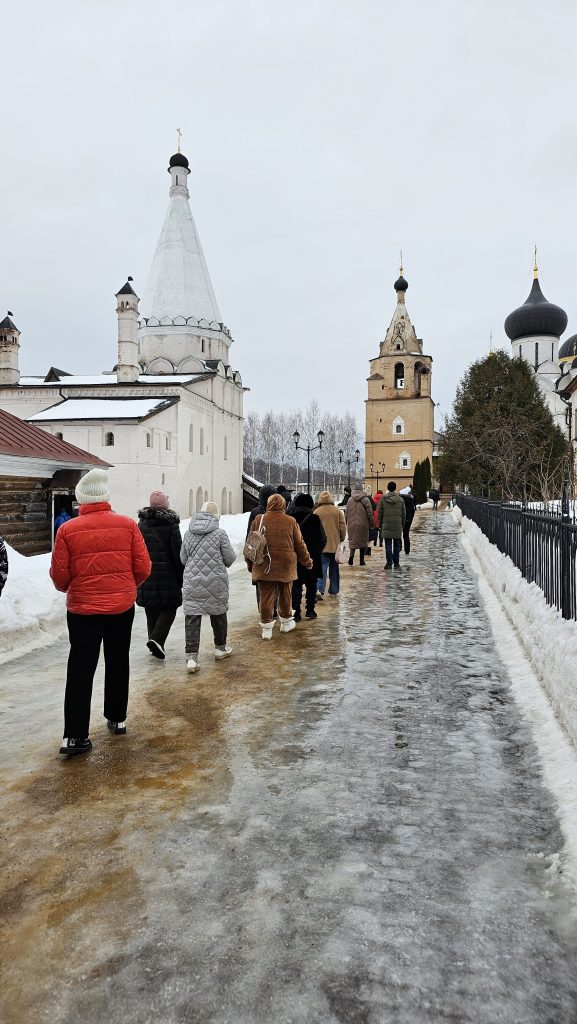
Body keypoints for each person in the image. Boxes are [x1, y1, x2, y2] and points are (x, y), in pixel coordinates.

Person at [50, 468, 151, 758]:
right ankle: (117, 717)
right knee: (118, 659)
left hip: (82, 610)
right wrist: (125, 587)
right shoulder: (128, 525)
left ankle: (75, 736)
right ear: (106, 497)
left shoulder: (67, 530)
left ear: (81, 500)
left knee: (80, 666)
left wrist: (75, 586)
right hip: (120, 607)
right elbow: (143, 567)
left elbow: (60, 576)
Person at [180, 501, 236, 673]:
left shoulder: (188, 533)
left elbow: (183, 559)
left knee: (192, 619)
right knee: (218, 614)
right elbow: (230, 558)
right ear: (216, 516)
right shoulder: (220, 533)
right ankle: (220, 648)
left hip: (192, 581)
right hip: (215, 581)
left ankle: (191, 658)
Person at [246, 493, 312, 639]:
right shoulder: (290, 521)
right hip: (285, 565)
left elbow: (251, 544)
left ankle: (267, 629)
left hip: (264, 564)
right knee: (285, 594)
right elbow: (299, 545)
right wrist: (307, 561)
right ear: (284, 505)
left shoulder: (259, 519)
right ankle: (286, 623)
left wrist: (250, 563)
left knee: (266, 597)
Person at [136, 490, 183, 659]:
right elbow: (178, 552)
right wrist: (181, 575)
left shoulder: (141, 524)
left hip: (147, 573)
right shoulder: (171, 524)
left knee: (152, 608)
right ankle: (156, 639)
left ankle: (155, 643)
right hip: (168, 574)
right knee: (170, 607)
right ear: (165, 505)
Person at [288, 493, 326, 620]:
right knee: (312, 582)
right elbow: (323, 538)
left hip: (295, 557)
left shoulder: (291, 518)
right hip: (312, 556)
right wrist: (317, 551)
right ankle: (310, 609)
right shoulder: (315, 518)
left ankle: (296, 612)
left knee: (296, 584)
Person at [246, 484, 277, 609]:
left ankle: (262, 606)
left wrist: (249, 557)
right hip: (273, 550)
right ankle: (274, 606)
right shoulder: (277, 512)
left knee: (260, 580)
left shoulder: (255, 512)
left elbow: (250, 534)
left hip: (258, 551)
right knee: (274, 579)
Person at [314, 491, 346, 597]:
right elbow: (342, 527)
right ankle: (334, 589)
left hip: (321, 545)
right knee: (334, 568)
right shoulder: (337, 511)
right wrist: (340, 539)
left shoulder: (317, 511)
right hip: (334, 545)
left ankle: (320, 589)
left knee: (321, 568)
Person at [378, 481, 406, 569]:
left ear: (388, 488)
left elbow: (380, 514)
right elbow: (403, 514)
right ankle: (397, 563)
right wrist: (402, 525)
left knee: (388, 545)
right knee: (397, 545)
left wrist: (380, 525)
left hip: (386, 525)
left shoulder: (383, 499)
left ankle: (389, 563)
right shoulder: (400, 499)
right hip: (397, 525)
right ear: (395, 488)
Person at [345, 484, 374, 566]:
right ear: (362, 489)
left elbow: (346, 513)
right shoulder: (366, 500)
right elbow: (370, 513)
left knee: (353, 540)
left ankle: (351, 557)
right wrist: (372, 524)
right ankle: (362, 561)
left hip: (351, 524)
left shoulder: (350, 499)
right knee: (363, 541)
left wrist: (346, 521)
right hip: (363, 523)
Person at [399, 486, 417, 555]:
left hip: (400, 520)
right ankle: (407, 550)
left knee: (399, 534)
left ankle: (399, 548)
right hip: (407, 520)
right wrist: (410, 520)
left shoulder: (400, 501)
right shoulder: (411, 501)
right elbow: (413, 512)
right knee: (406, 535)